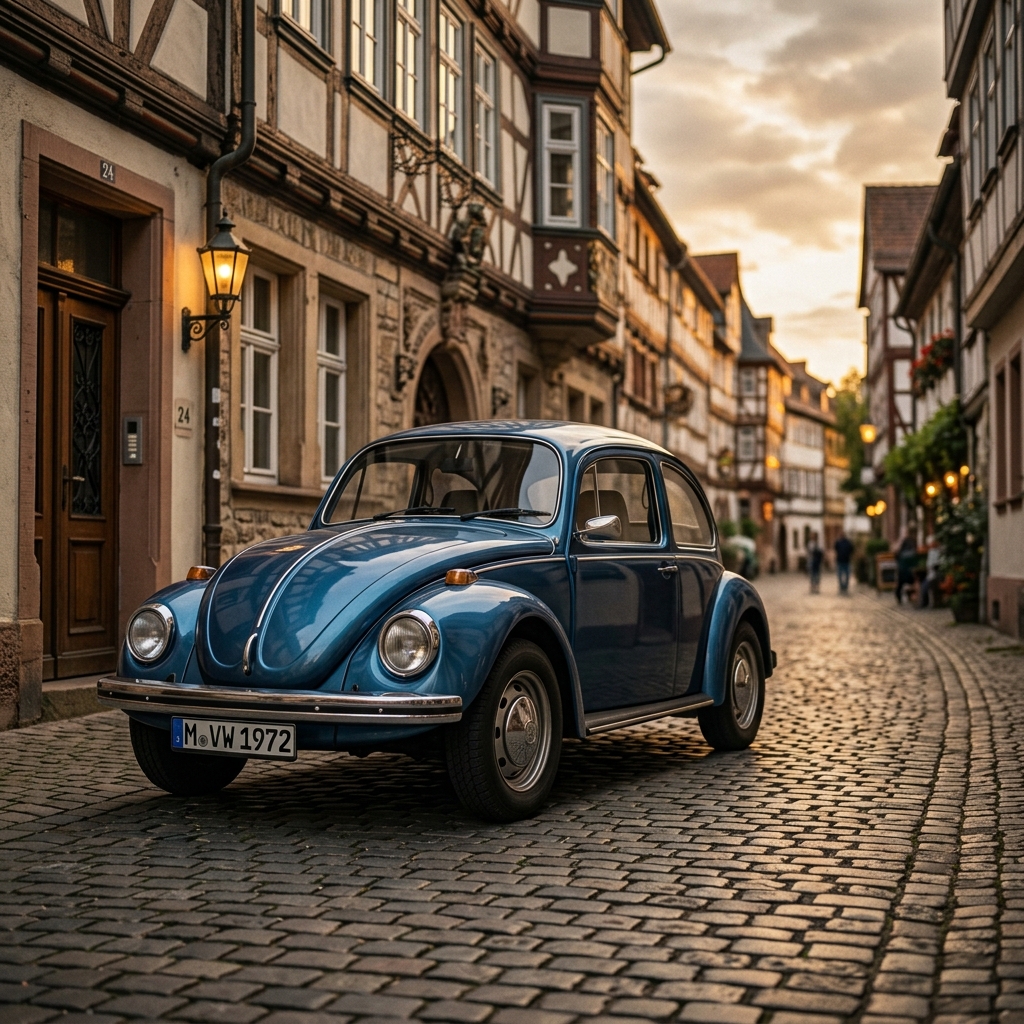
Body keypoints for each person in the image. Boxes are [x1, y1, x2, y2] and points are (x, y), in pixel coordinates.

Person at [918, 535, 942, 608]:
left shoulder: (939, 551)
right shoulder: (931, 552)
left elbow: (938, 564)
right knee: (923, 585)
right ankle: (924, 602)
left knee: (928, 584)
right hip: (931, 575)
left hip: (937, 574)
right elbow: (929, 564)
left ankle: (929, 603)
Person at [895, 533, 918, 605]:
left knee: (900, 585)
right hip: (911, 574)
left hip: (902, 573)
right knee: (916, 581)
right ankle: (914, 597)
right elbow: (915, 564)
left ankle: (899, 598)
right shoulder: (913, 553)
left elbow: (897, 558)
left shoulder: (901, 553)